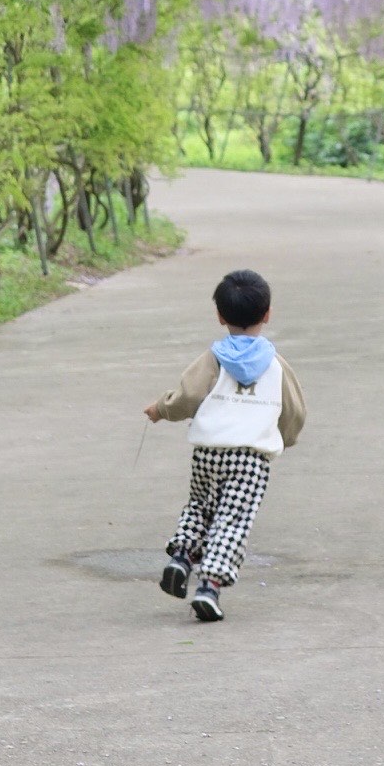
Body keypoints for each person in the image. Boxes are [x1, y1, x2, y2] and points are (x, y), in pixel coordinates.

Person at [143, 266, 306, 621]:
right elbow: (293, 412)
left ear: (219, 316)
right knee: (232, 521)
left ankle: (182, 557)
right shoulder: (277, 366)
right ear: (267, 314)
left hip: (208, 452)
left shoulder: (213, 359)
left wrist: (160, 409)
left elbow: (187, 397)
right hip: (249, 459)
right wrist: (285, 438)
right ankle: (209, 587)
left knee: (200, 506)